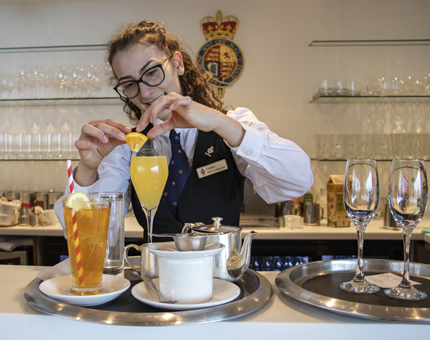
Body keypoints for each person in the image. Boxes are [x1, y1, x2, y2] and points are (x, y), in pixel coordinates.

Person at [54, 21, 313, 242]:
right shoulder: (128, 146)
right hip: (155, 289)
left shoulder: (233, 126)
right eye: (129, 84)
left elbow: (297, 182)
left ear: (177, 63)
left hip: (220, 288)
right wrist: (87, 170)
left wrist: (220, 122)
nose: (144, 93)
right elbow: (87, 235)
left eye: (152, 72)